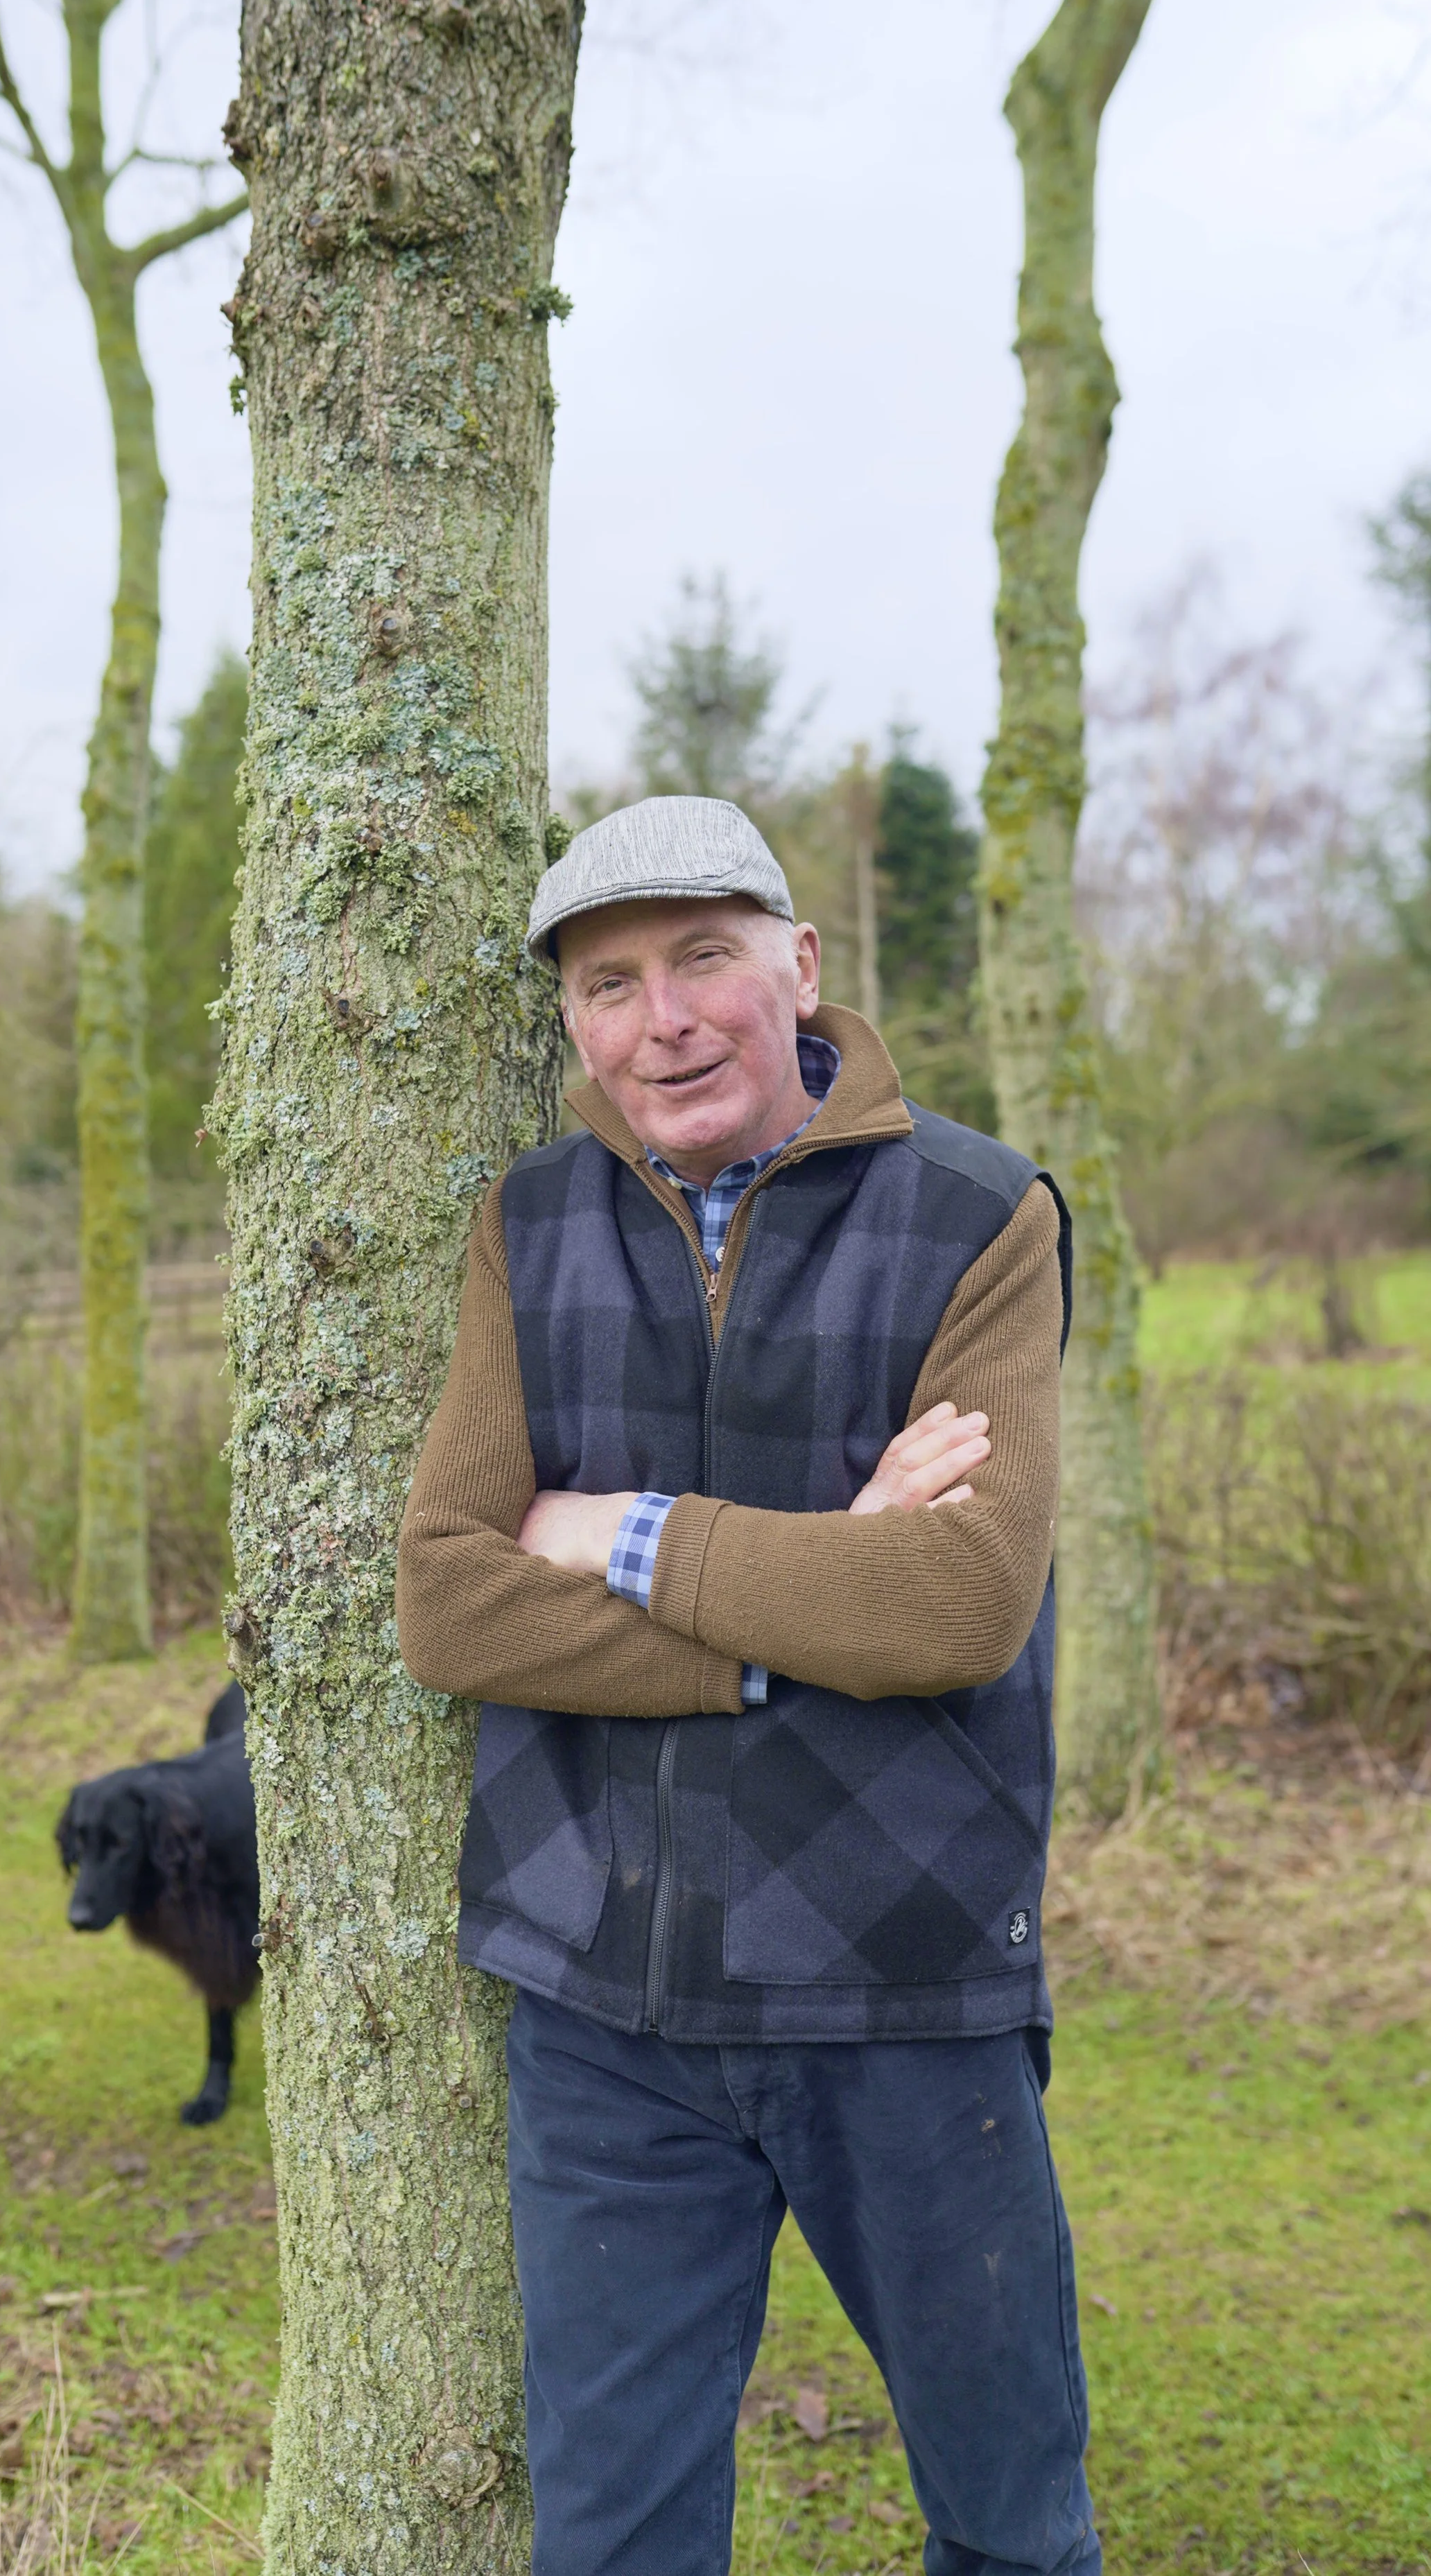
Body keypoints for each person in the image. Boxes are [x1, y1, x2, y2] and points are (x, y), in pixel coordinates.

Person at [396, 794, 1095, 2576]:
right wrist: (807, 1588)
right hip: (599, 2012)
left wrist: (620, 1530)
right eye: (608, 983)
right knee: (614, 2548)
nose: (665, 1020)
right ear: (570, 1021)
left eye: (703, 956)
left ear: (796, 964)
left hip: (906, 1989)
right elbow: (450, 1608)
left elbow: (950, 1605)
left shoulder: (977, 1213)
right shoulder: (528, 1223)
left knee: (1010, 2528)